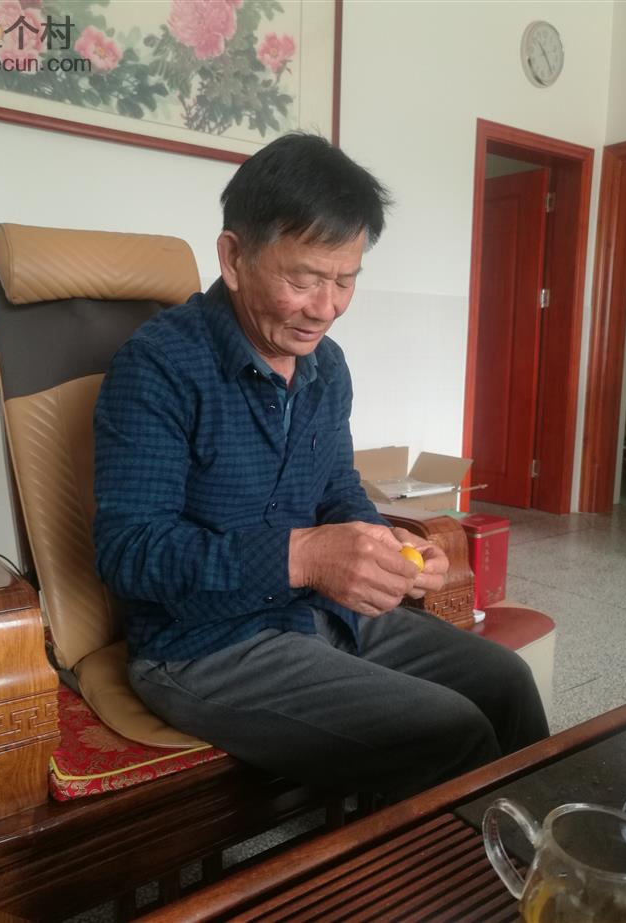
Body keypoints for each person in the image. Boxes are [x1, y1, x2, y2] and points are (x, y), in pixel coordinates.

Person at [93, 133, 548, 799]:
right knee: (449, 732)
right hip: (203, 645)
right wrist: (303, 557)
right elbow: (129, 552)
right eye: (304, 278)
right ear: (234, 257)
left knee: (506, 683)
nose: (326, 307)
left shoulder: (326, 367)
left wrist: (383, 545)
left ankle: (541, 856)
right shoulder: (158, 367)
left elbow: (337, 490)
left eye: (345, 280)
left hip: (323, 614)